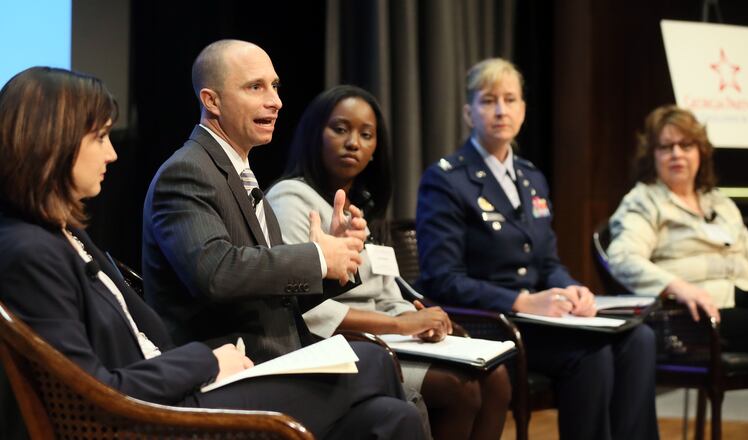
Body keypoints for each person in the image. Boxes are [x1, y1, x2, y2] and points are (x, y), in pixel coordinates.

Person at [0, 66, 422, 439]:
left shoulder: (64, 234)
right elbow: (87, 390)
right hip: (155, 416)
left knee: (391, 418)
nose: (113, 152)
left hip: (178, 387)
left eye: (274, 86)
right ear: (52, 144)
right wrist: (206, 361)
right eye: (101, 137)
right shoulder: (29, 251)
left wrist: (331, 263)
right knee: (371, 361)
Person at [415, 58, 659, 440]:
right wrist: (520, 301)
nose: (500, 110)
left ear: (523, 110)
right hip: (489, 324)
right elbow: (443, 280)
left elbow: (547, 263)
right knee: (590, 355)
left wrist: (572, 289)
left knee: (640, 339)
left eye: (510, 100)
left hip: (541, 325)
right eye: (488, 100)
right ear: (468, 112)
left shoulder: (531, 177)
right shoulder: (446, 180)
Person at [267, 85, 512, 440]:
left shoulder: (361, 207)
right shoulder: (290, 199)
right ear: (313, 134)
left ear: (375, 149)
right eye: (340, 129)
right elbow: (305, 310)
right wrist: (401, 325)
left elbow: (385, 289)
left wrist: (420, 320)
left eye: (366, 135)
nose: (353, 142)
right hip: (339, 348)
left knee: (497, 379)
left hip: (386, 340)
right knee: (461, 388)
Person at [142, 39, 366, 360]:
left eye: (274, 86)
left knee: (392, 391)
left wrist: (333, 263)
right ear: (212, 101)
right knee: (382, 373)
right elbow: (216, 273)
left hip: (279, 355)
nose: (276, 101)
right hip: (231, 367)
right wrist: (315, 257)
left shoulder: (239, 173)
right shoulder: (186, 173)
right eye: (255, 87)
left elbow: (271, 295)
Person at [607, 104, 748, 439]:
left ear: (700, 152)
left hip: (745, 299)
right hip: (692, 317)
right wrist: (678, 286)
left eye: (686, 145)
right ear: (653, 155)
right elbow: (622, 258)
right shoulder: (644, 201)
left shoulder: (718, 202)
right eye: (666, 146)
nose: (677, 154)